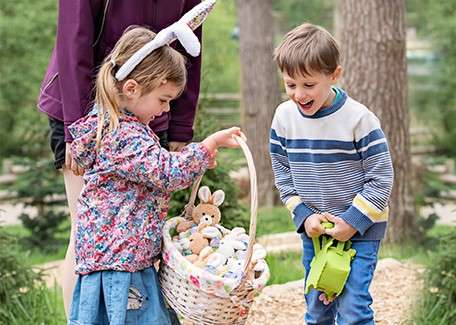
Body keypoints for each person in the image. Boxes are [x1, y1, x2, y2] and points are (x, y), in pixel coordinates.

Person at [37, 0, 206, 316]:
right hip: (85, 111)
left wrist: (181, 125)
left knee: (138, 238)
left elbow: (190, 41)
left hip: (149, 113)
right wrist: (77, 130)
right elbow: (74, 40)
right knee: (89, 236)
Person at [66, 26, 243, 324]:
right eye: (163, 99)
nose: (166, 109)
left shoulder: (117, 130)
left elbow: (155, 168)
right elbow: (166, 172)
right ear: (132, 89)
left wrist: (196, 159)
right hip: (121, 265)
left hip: (122, 260)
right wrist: (205, 147)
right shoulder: (124, 135)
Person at [269, 23, 394, 325]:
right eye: (290, 85)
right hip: (316, 231)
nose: (299, 94)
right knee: (317, 308)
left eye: (309, 85)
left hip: (361, 230)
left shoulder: (359, 119)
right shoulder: (283, 118)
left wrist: (352, 223)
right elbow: (283, 175)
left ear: (334, 75)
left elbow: (381, 178)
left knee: (353, 311)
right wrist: (304, 216)